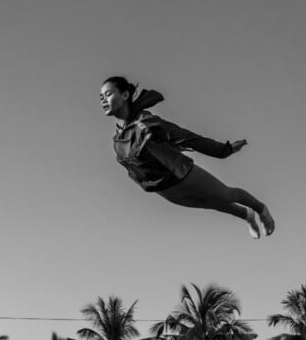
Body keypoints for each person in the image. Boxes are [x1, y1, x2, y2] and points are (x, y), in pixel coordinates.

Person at [100, 76, 275, 239]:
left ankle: (261, 209)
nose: (103, 99)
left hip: (182, 175)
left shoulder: (145, 122)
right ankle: (247, 216)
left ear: (125, 95)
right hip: (165, 190)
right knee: (214, 205)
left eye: (108, 94)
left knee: (226, 195)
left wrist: (223, 150)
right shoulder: (117, 140)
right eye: (100, 96)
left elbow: (185, 136)